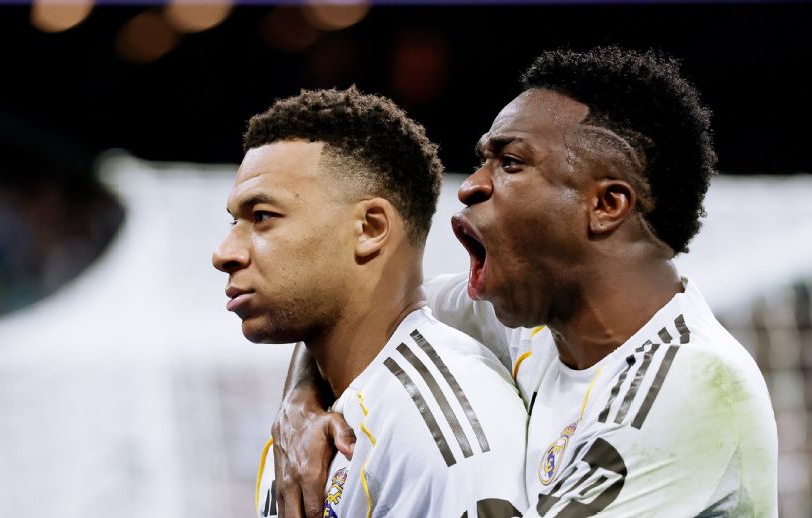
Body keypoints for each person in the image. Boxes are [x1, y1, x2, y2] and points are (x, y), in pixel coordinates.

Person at [271, 48, 778, 517]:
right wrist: (299, 403)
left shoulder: (691, 386)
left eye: (510, 163)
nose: (472, 185)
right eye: (482, 161)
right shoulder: (534, 325)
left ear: (606, 205)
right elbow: (360, 307)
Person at [214, 88, 528, 517]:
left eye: (263, 216)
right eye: (235, 221)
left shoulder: (439, 429)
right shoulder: (300, 431)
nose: (224, 253)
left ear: (370, 228)